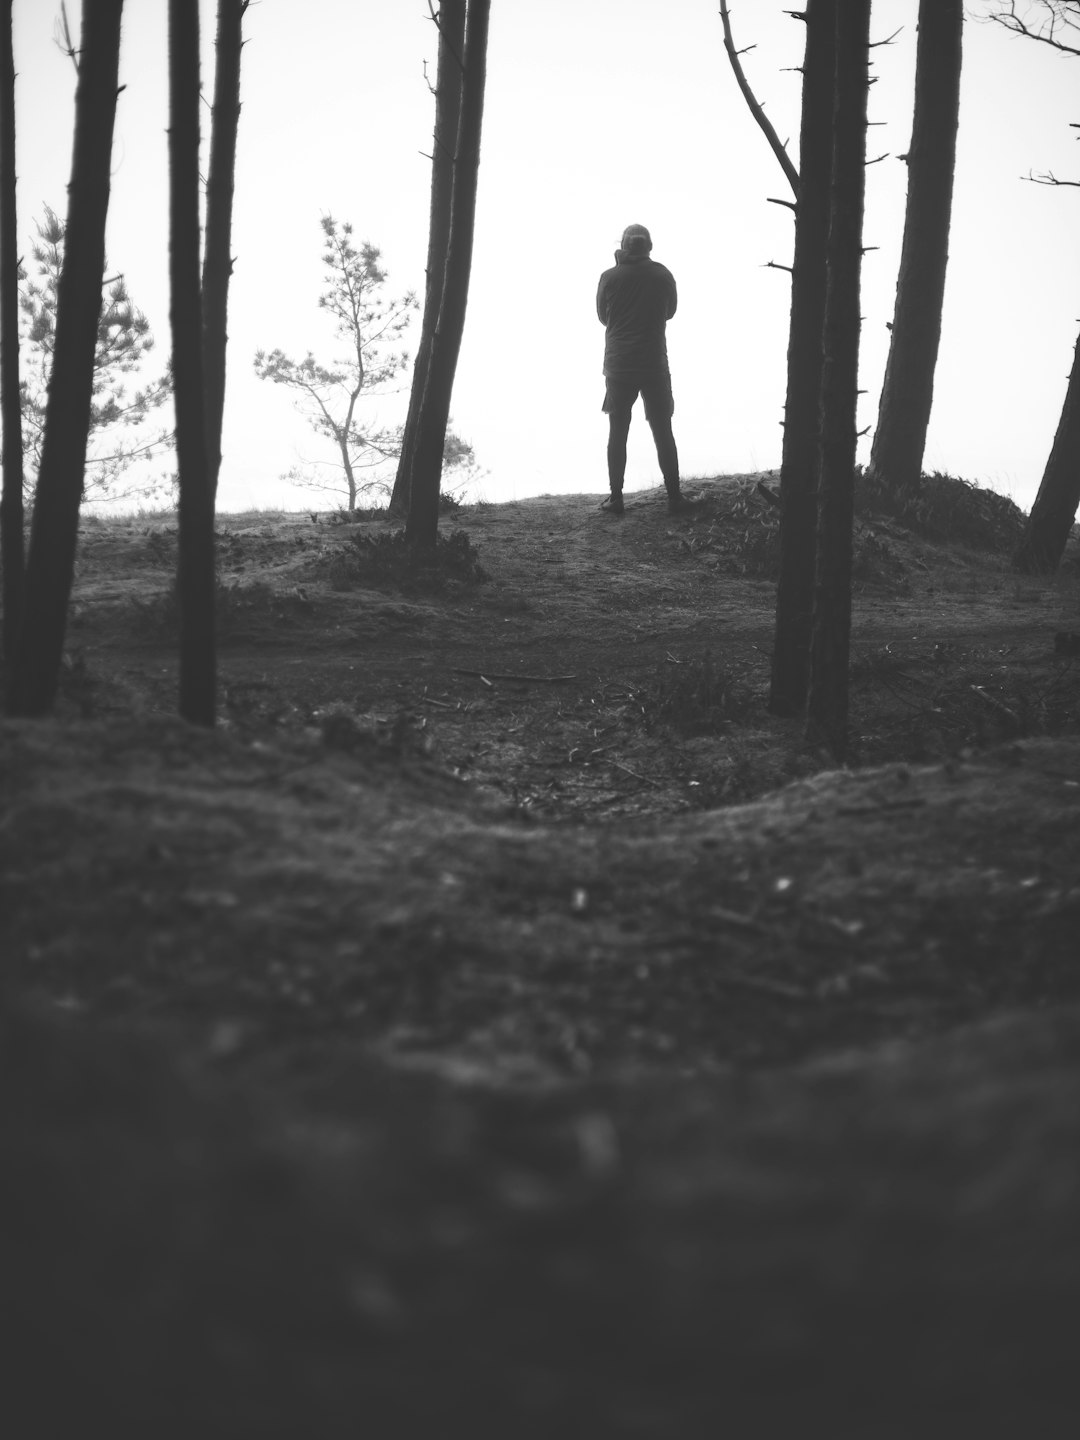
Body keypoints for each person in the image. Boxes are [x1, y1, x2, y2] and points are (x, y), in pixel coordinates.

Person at [596, 223, 682, 516]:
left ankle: (616, 498)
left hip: (619, 365)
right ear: (650, 247)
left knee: (618, 431)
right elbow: (670, 312)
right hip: (654, 363)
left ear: (623, 246)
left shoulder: (609, 277)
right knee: (663, 430)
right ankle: (674, 498)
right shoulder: (662, 274)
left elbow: (602, 317)